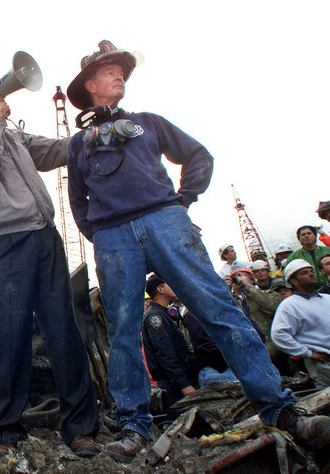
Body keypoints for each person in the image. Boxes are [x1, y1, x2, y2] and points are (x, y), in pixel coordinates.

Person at [65, 39, 330, 461]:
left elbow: (197, 155)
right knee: (122, 331)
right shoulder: (79, 145)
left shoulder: (148, 123)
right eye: (110, 71)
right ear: (91, 84)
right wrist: (101, 234)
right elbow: (78, 200)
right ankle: (134, 427)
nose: (120, 76)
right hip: (113, 236)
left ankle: (279, 410)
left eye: (122, 70)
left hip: (166, 221)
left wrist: (182, 200)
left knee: (219, 309)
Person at [0, 81, 100, 459]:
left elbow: (54, 150)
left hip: (43, 236)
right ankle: (6, 432)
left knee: (63, 329)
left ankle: (80, 428)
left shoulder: (11, 135)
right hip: (3, 244)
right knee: (8, 336)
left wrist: (90, 136)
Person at [272, 260, 330, 389]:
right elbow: (278, 335)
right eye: (305, 273)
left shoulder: (327, 298)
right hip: (324, 366)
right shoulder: (290, 305)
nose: (311, 274)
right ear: (294, 281)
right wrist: (307, 353)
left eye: (311, 271)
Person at [141, 275, 196, 408]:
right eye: (169, 283)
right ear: (160, 289)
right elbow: (165, 354)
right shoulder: (156, 317)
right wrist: (184, 384)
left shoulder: (162, 314)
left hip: (175, 381)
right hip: (173, 386)